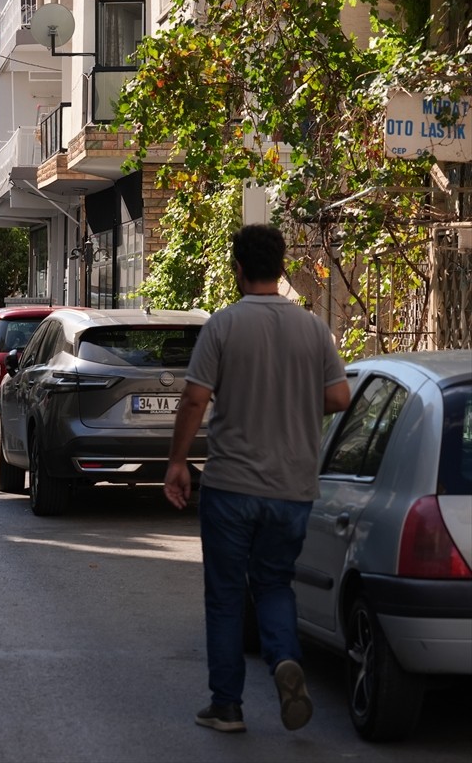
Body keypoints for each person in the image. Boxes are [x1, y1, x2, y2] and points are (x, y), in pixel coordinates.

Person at [164, 223, 350, 735]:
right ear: (282, 267)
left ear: (238, 268)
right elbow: (339, 397)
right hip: (292, 489)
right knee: (274, 584)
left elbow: (194, 400)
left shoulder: (223, 326)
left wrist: (177, 461)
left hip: (231, 486)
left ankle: (227, 706)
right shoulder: (313, 328)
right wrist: (294, 401)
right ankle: (285, 658)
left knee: (226, 595)